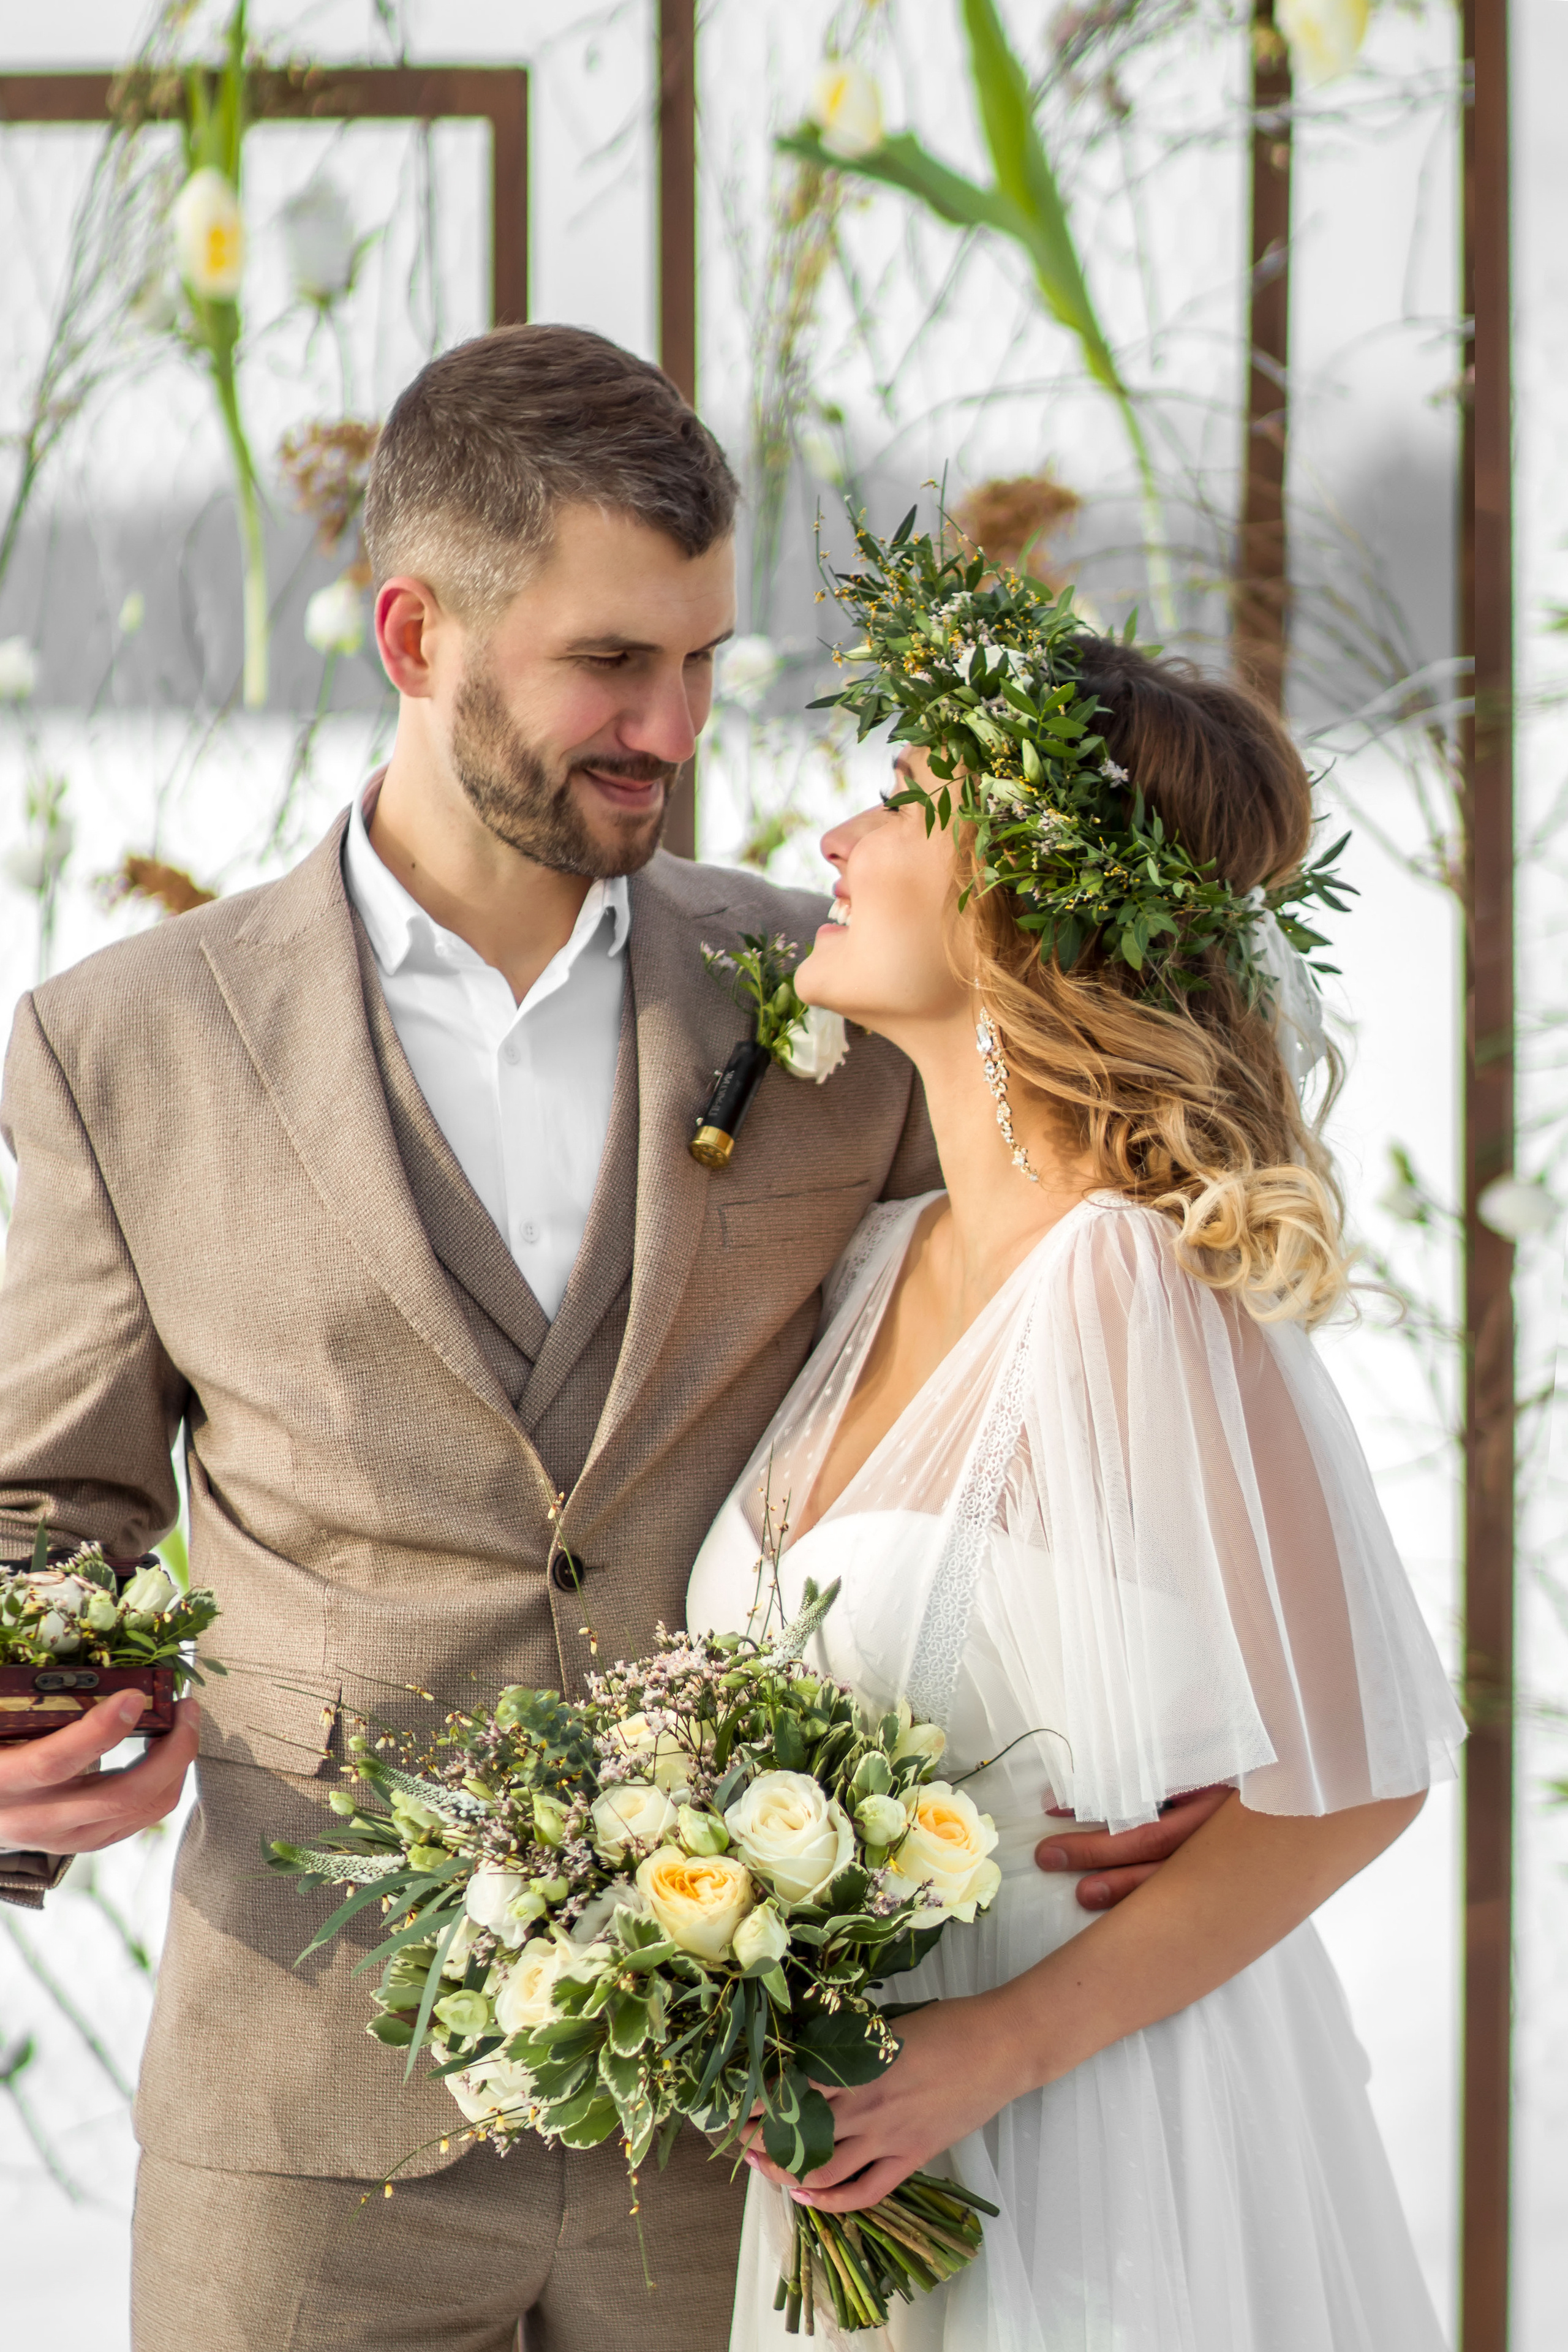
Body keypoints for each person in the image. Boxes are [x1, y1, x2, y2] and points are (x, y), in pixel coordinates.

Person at [0, 326, 1206, 2352]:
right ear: (415, 633)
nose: (674, 723)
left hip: (762, 2121)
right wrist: (14, 1737)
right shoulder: (118, 1045)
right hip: (306, 2119)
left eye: (707, 661)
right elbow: (50, 1503)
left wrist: (1157, 1710)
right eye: (608, 665)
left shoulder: (842, 1004)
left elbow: (1047, 1347)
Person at [687, 536, 1465, 2351]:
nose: (837, 843)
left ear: (1024, 893)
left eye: (899, 802)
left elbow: (1361, 1771)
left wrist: (983, 2052)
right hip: (871, 2152)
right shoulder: (880, 1262)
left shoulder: (1124, 1277)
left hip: (1084, 2144)